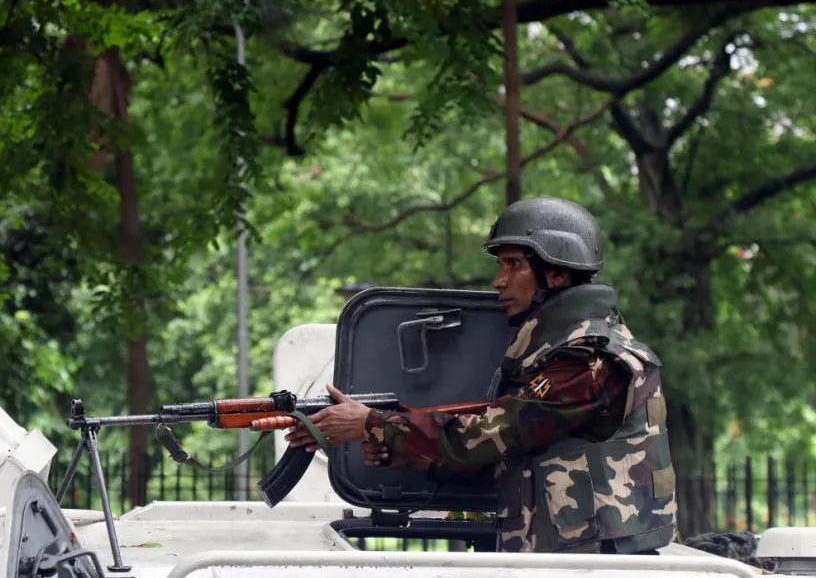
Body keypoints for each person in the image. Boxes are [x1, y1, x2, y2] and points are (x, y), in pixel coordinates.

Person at [285, 196, 678, 554]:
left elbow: (489, 435)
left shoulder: (588, 358)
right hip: (570, 559)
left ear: (557, 274)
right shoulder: (557, 349)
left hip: (596, 566)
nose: (499, 281)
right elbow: (521, 456)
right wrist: (410, 454)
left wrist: (372, 424)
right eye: (500, 265)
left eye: (514, 265)